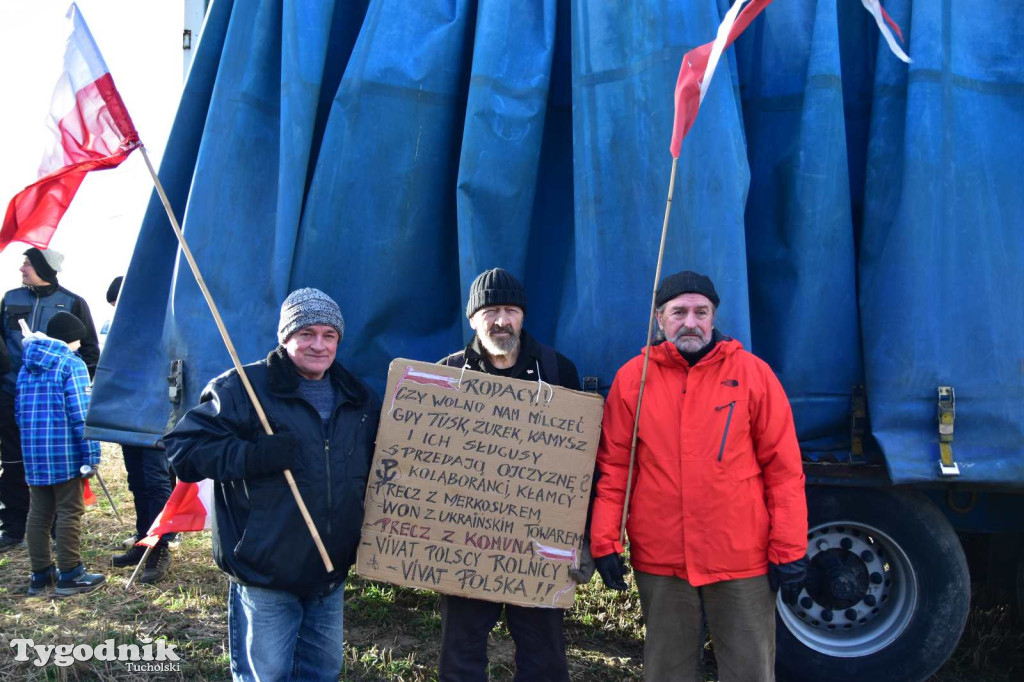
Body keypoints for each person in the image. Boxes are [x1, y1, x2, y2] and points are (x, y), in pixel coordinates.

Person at [589, 270, 808, 682]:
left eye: (700, 311)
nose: (691, 322)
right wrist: (604, 541)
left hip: (741, 557)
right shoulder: (632, 380)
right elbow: (616, 468)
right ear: (660, 319)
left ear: (713, 316)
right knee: (667, 671)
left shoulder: (753, 375)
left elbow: (783, 472)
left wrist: (790, 548)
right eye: (679, 312)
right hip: (663, 557)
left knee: (750, 670)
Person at [164, 288, 380, 681]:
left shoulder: (359, 397)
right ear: (284, 337)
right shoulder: (241, 389)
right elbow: (183, 451)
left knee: (321, 672)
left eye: (329, 335)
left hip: (329, 570)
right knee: (267, 674)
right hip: (266, 568)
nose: (318, 345)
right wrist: (253, 456)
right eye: (306, 334)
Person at [437, 267, 589, 682]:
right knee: (460, 658)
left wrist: (584, 540)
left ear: (522, 316)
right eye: (490, 311)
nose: (501, 320)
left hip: (538, 549)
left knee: (545, 661)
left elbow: (580, 466)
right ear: (472, 319)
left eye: (510, 310)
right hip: (466, 545)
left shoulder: (558, 371)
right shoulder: (446, 375)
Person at [0, 248, 99, 552]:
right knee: (13, 462)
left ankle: (58, 528)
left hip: (53, 403)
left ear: (43, 267)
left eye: (27, 264)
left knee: (57, 463)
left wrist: (74, 387)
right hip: (10, 393)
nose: (21, 268)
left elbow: (89, 349)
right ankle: (14, 526)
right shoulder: (9, 299)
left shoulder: (73, 302)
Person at [18, 312, 105, 596]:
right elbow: (82, 414)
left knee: (39, 513)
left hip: (33, 452)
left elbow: (19, 412)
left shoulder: (26, 365)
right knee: (70, 510)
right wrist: (91, 455)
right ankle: (70, 573)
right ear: (72, 337)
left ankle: (40, 574)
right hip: (65, 452)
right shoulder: (72, 364)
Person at [102, 275, 175, 583]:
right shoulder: (118, 330)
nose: (118, 310)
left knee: (156, 482)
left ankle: (158, 549)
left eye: (121, 304)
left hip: (156, 413)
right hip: (128, 414)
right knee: (136, 481)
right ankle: (143, 539)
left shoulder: (164, 324)